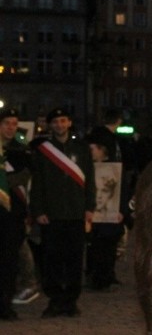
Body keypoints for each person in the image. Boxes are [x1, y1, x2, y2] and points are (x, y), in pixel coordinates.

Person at [29, 108, 95, 318]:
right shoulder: (43, 150)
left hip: (76, 212)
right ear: (50, 125)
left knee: (75, 259)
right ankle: (55, 299)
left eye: (63, 120)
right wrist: (38, 210)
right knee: (52, 260)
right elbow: (37, 182)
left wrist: (89, 207)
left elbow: (90, 180)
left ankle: (71, 301)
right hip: (52, 212)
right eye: (55, 121)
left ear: (69, 123)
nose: (59, 125)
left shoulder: (81, 149)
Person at [1, 108, 39, 312]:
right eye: (7, 123)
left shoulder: (21, 149)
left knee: (10, 258)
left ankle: (6, 304)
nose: (11, 128)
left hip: (13, 211)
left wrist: (5, 182)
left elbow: (26, 174)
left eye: (14, 124)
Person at [84, 140, 125, 291]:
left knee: (107, 246)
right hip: (93, 214)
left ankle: (105, 276)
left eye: (93, 148)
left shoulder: (114, 168)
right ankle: (93, 275)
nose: (91, 152)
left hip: (109, 214)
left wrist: (121, 211)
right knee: (93, 245)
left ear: (102, 150)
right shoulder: (87, 166)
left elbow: (121, 190)